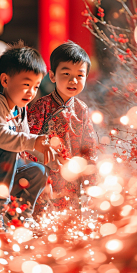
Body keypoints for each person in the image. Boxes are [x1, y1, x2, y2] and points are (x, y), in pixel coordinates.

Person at [0, 42, 62, 231]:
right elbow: (3, 138)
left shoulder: (21, 109)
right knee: (9, 149)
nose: (31, 92)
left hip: (4, 170)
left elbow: (26, 144)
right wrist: (34, 141)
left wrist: (51, 158)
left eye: (35, 86)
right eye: (26, 85)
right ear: (5, 80)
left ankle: (19, 215)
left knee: (38, 171)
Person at [26, 41, 98, 215]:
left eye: (80, 75)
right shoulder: (41, 107)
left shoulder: (82, 109)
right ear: (52, 76)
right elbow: (28, 142)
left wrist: (91, 179)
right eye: (66, 73)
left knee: (69, 221)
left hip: (72, 176)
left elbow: (90, 147)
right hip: (46, 175)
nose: (73, 80)